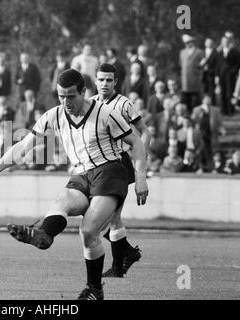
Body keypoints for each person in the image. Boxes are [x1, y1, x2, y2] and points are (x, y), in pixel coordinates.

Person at [0, 69, 149, 300]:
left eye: (71, 96)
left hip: (110, 171)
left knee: (88, 231)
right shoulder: (53, 115)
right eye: (61, 96)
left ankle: (94, 289)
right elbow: (23, 146)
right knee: (60, 203)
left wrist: (140, 178)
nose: (66, 102)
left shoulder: (105, 113)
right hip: (80, 174)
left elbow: (137, 142)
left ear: (83, 92)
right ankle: (42, 235)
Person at [91, 63, 151, 278]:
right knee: (96, 217)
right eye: (101, 79)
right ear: (95, 81)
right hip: (97, 165)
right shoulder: (91, 103)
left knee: (111, 218)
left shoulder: (124, 104)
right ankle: (126, 254)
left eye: (109, 80)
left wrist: (140, 164)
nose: (105, 83)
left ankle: (119, 265)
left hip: (119, 163)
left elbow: (145, 133)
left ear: (116, 82)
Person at [179, 34, 203, 113]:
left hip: (195, 77)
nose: (188, 44)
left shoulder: (199, 52)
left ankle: (195, 113)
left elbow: (203, 63)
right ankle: (188, 113)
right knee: (186, 98)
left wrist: (199, 67)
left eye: (189, 42)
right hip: (185, 78)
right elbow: (181, 64)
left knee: (195, 98)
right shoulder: (182, 52)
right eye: (186, 43)